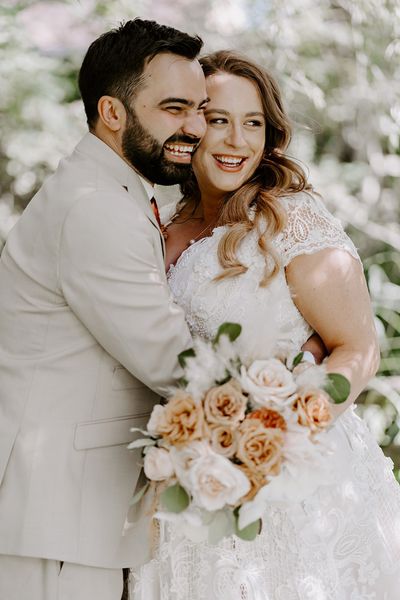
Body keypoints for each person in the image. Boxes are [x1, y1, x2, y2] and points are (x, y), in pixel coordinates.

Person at [131, 51, 400, 599]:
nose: (236, 141)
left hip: (295, 481)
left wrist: (279, 430)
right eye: (218, 119)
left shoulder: (289, 217)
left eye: (252, 123)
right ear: (187, 126)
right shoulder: (158, 221)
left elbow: (357, 347)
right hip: (185, 479)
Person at [0, 18, 210, 600]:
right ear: (111, 112)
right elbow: (176, 363)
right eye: (174, 108)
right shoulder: (95, 208)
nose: (194, 127)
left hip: (70, 516)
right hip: (55, 518)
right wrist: (294, 383)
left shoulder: (113, 192)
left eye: (200, 108)